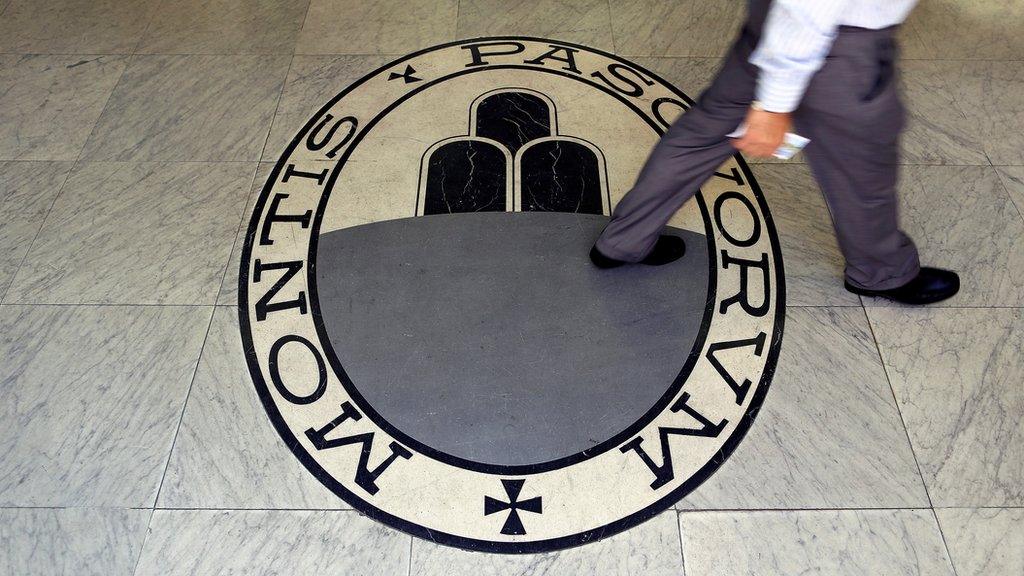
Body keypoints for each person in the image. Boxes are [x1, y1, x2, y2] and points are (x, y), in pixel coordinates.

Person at [590, 0, 959, 305]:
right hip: (832, 39)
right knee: (863, 174)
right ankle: (882, 272)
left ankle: (624, 240)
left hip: (774, 16)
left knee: (702, 133)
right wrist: (774, 104)